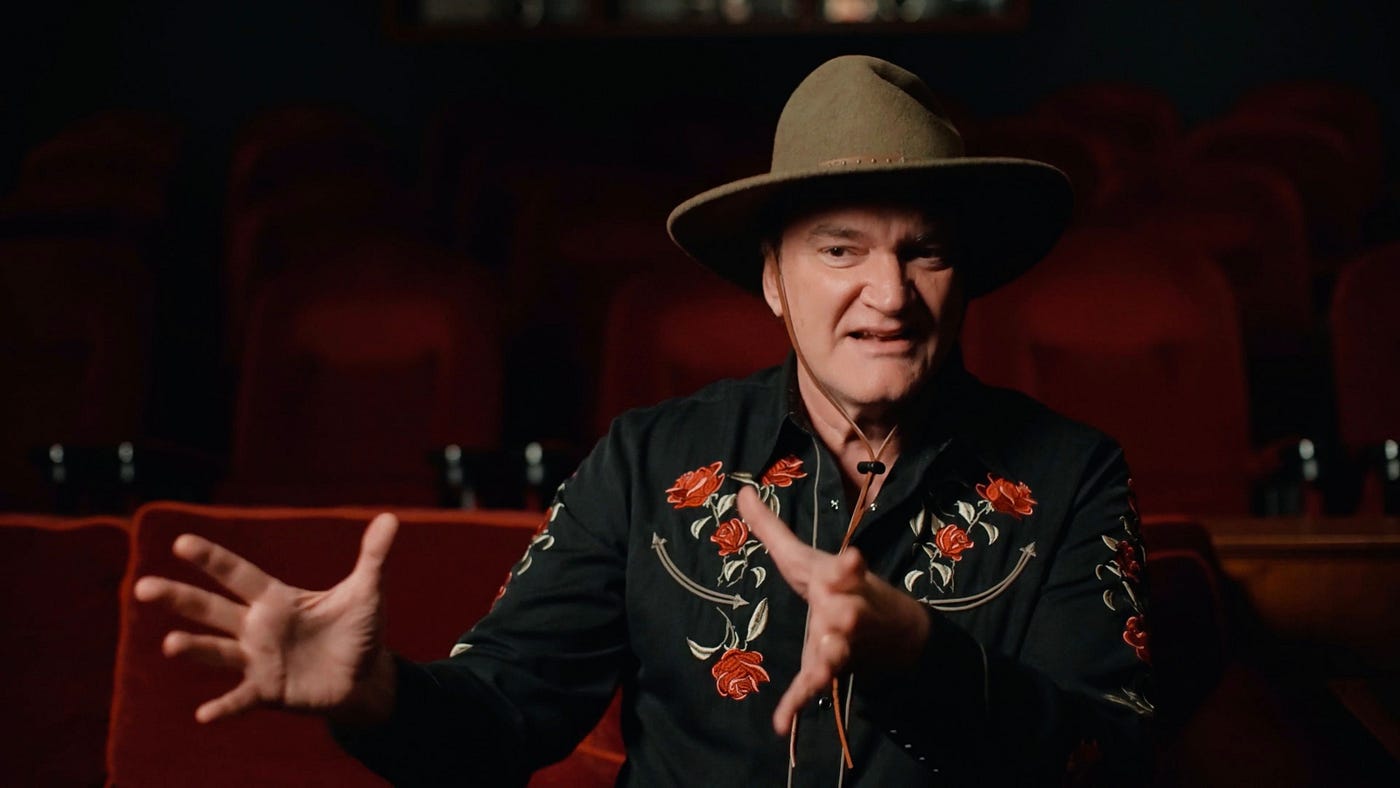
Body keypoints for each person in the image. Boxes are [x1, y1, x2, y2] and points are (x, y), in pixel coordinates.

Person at [135, 56, 1153, 785]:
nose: (887, 294)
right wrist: (373, 695)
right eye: (840, 249)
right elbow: (501, 717)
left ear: (964, 278)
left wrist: (917, 654)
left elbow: (1109, 756)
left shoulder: (1072, 475)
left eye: (923, 251)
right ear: (772, 281)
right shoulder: (647, 460)